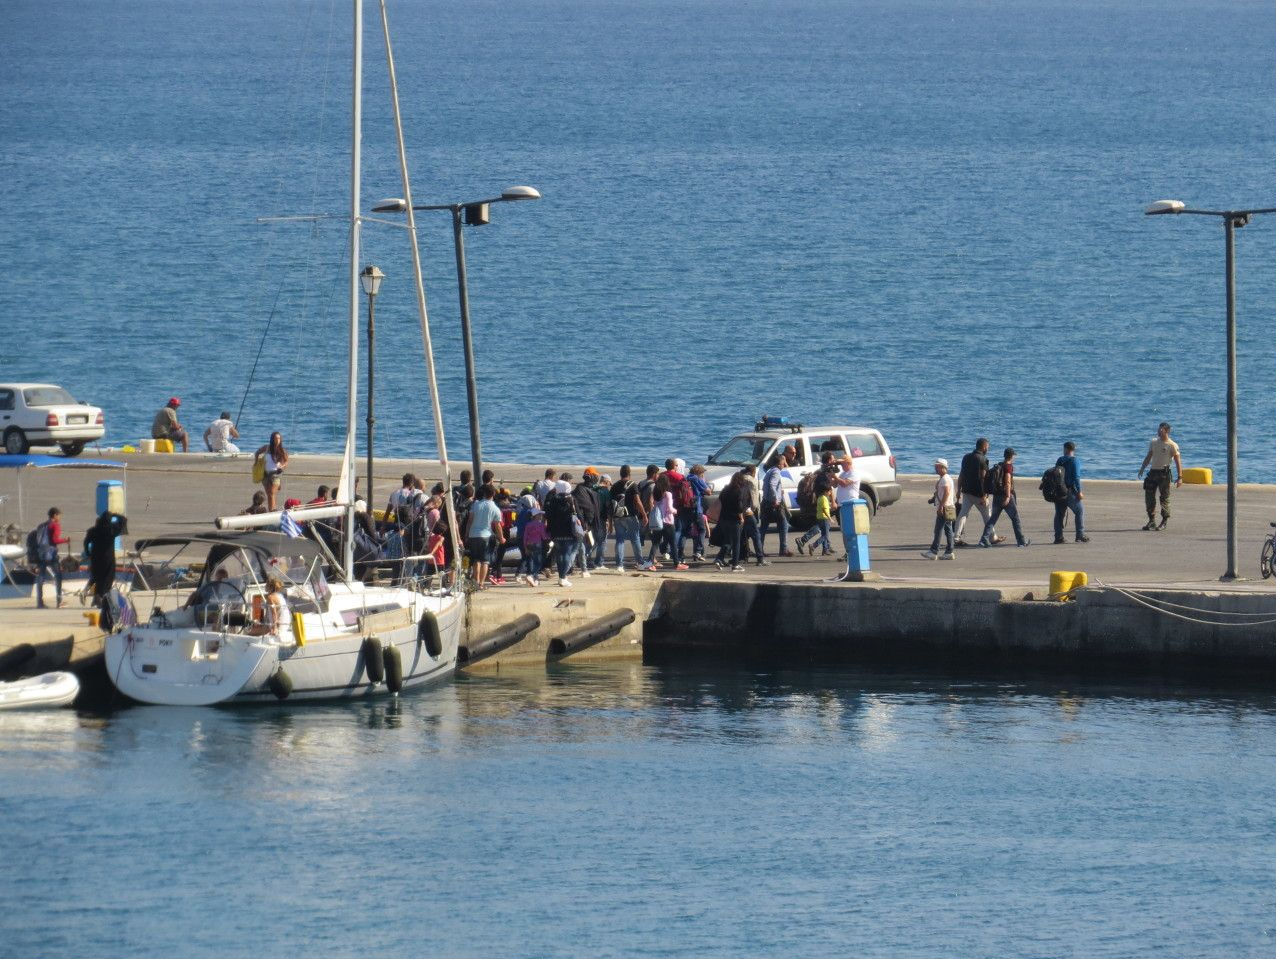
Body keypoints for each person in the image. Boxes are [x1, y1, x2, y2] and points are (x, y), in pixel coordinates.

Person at [979, 448, 1031, 548]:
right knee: (1015, 519)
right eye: (1014, 456)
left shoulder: (999, 465)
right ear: (1011, 456)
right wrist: (1007, 497)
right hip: (1006, 496)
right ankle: (1021, 542)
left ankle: (984, 539)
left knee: (992, 519)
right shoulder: (1008, 467)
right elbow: (1007, 482)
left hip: (997, 495)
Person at [954, 437, 1001, 547]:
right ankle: (992, 537)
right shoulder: (983, 459)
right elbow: (983, 478)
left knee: (962, 514)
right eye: (987, 447)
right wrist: (985, 495)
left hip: (966, 491)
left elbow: (961, 474)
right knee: (987, 515)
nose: (988, 449)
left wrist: (958, 489)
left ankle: (956, 538)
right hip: (978, 493)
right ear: (984, 447)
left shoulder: (966, 457)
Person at [1138, 421, 1183, 531]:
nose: (1158, 431)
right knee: (1149, 497)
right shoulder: (1154, 442)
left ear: (1166, 431)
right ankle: (1151, 521)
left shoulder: (1172, 445)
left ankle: (1164, 521)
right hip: (1153, 472)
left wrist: (1180, 477)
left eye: (1161, 430)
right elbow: (1149, 456)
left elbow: (1178, 462)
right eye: (1158, 429)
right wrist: (1142, 468)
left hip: (1164, 474)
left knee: (1164, 498)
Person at [609, 465, 652, 572]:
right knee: (635, 539)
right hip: (631, 515)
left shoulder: (614, 486)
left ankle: (619, 565)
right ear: (629, 473)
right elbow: (637, 501)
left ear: (620, 473)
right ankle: (640, 562)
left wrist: (610, 521)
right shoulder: (633, 485)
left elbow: (610, 504)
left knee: (620, 540)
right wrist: (644, 515)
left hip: (617, 516)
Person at [463, 484, 504, 589]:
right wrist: (501, 537)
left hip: (473, 534)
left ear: (484, 494)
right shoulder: (495, 508)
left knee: (476, 560)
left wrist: (467, 534)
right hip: (486, 535)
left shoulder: (476, 505)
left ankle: (475, 581)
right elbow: (497, 525)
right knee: (485, 561)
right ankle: (481, 583)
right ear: (493, 494)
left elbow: (469, 521)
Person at [544, 479, 581, 587]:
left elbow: (548, 514)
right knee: (567, 554)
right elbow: (578, 513)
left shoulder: (552, 500)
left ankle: (562, 576)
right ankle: (562, 577)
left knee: (559, 554)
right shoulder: (571, 499)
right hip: (569, 530)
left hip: (555, 531)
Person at [1053, 441, 1089, 544]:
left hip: (1059, 491)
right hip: (1070, 490)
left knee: (1059, 514)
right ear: (1073, 450)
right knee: (1079, 511)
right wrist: (1079, 491)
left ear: (1065, 449)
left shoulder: (1060, 460)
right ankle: (1080, 535)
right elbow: (1076, 478)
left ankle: (1058, 537)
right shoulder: (1075, 461)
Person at [34, 506, 70, 609]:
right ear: (55, 515)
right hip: (52, 555)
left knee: (40, 578)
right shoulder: (55, 525)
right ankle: (59, 602)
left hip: (41, 554)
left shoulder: (42, 525)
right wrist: (66, 540)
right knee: (58, 577)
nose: (60, 517)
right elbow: (55, 540)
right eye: (59, 515)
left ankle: (39, 602)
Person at [759, 454, 794, 558]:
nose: (785, 464)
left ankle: (759, 549)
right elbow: (772, 484)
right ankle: (783, 549)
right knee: (784, 524)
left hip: (766, 502)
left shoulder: (770, 470)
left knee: (763, 527)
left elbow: (768, 485)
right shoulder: (776, 471)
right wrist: (775, 498)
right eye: (784, 462)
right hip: (773, 504)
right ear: (780, 463)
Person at [922, 458, 957, 560]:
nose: (935, 469)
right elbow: (940, 493)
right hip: (949, 507)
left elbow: (946, 492)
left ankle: (934, 551)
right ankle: (949, 552)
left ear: (943, 467)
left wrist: (941, 506)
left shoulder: (945, 479)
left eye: (937, 467)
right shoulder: (946, 478)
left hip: (945, 508)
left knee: (938, 530)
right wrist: (933, 500)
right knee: (948, 530)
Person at [712, 472, 746, 571]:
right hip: (734, 519)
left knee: (727, 540)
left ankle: (719, 559)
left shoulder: (726, 489)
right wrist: (741, 517)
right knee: (736, 543)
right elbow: (739, 507)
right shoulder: (738, 491)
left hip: (723, 518)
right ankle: (735, 565)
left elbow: (720, 500)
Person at [255, 432, 288, 511]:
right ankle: (272, 510)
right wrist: (256, 463)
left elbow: (286, 462)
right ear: (272, 439)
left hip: (275, 474)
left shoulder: (282, 450)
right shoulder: (267, 448)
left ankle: (272, 511)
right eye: (276, 438)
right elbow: (257, 452)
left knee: (272, 494)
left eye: (279, 438)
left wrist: (282, 466)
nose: (277, 440)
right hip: (265, 474)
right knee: (269, 494)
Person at [797, 486, 834, 556]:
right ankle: (813, 546)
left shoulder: (819, 498)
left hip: (819, 518)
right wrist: (830, 518)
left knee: (824, 534)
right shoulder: (824, 499)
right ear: (826, 491)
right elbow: (824, 509)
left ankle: (825, 549)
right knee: (825, 535)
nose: (830, 493)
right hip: (825, 518)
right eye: (830, 492)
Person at [520, 508, 547, 586]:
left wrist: (525, 547)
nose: (541, 516)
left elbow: (525, 536)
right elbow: (543, 536)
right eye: (540, 515)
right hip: (537, 543)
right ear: (536, 516)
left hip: (529, 543)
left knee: (531, 560)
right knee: (538, 562)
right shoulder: (540, 524)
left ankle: (535, 579)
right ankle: (532, 575)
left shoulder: (528, 524)